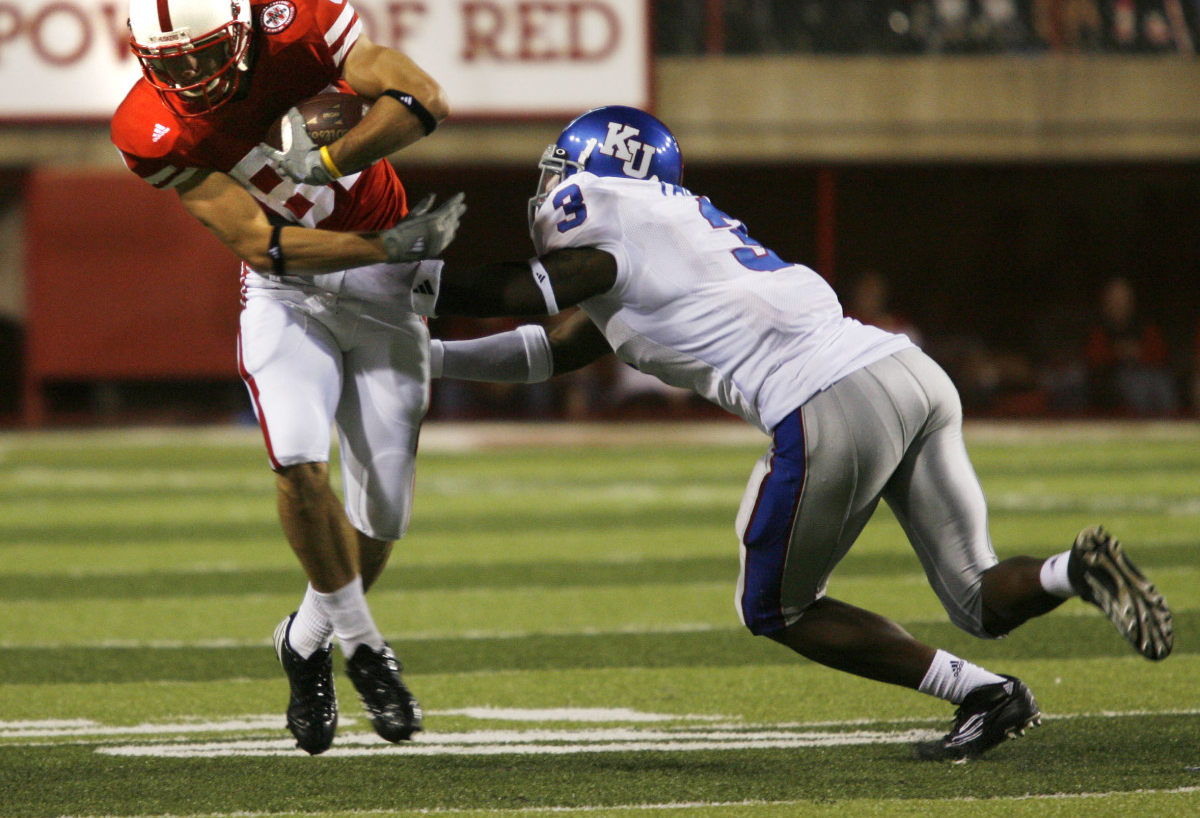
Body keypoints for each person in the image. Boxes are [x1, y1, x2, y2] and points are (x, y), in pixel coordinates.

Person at [398, 104, 1173, 761]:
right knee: (979, 597)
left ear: (599, 168)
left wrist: (388, 272)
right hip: (905, 371)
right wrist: (429, 357)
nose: (550, 187)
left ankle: (980, 686)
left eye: (559, 167)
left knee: (776, 608)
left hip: (826, 397)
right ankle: (1066, 583)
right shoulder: (672, 239)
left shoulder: (612, 211)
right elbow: (554, 348)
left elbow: (520, 291)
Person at [110, 0, 464, 755]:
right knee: (298, 463)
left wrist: (331, 157)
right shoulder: (149, 127)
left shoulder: (298, 20)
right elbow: (263, 243)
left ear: (239, 25)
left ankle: (303, 642)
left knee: (381, 515)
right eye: (175, 63)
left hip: (384, 289)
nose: (194, 77)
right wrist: (387, 245)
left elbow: (423, 97)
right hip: (289, 288)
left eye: (205, 54)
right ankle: (368, 650)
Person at [1085, 276, 1179, 415]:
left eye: (1122, 298)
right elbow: (1093, 361)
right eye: (1114, 298)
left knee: (1162, 383)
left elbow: (1162, 357)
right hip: (1113, 377)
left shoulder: (1144, 326)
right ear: (1105, 301)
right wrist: (1117, 353)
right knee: (1137, 386)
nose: (1118, 303)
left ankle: (1170, 426)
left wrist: (1139, 353)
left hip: (1148, 373)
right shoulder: (1098, 328)